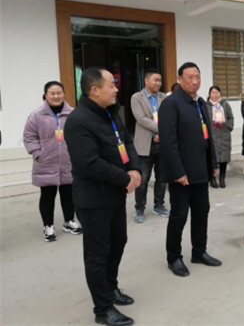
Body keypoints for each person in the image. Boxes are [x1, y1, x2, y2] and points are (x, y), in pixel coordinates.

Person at [65, 67, 141, 326]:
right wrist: (125, 178)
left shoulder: (110, 112)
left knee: (118, 241)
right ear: (95, 90)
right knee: (98, 254)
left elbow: (126, 141)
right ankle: (103, 309)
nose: (116, 89)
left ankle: (110, 287)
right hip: (93, 199)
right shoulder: (78, 121)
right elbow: (89, 163)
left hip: (115, 194)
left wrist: (134, 168)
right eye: (112, 84)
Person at [159, 62, 222, 278]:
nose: (195, 81)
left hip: (201, 169)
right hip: (182, 172)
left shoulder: (200, 102)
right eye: (190, 77)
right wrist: (178, 172)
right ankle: (174, 257)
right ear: (179, 79)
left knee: (202, 211)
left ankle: (199, 251)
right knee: (179, 215)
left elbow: (207, 137)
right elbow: (168, 142)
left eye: (198, 77)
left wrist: (213, 163)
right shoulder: (171, 104)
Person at [23, 81, 82, 242]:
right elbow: (29, 136)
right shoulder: (37, 115)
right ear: (46, 95)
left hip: (68, 161)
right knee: (48, 195)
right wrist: (38, 153)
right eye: (52, 93)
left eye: (59, 93)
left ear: (64, 94)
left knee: (68, 193)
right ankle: (48, 226)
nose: (56, 96)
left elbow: (81, 135)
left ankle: (69, 221)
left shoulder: (73, 113)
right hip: (46, 162)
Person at [130, 69, 169, 223]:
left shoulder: (164, 97)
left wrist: (162, 134)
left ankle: (159, 205)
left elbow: (168, 117)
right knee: (143, 178)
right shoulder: (136, 97)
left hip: (162, 144)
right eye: (155, 80)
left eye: (160, 80)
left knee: (162, 177)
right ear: (146, 80)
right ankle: (139, 207)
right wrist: (162, 130)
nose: (158, 83)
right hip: (144, 144)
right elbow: (141, 119)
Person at [206, 85, 234, 189]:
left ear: (220, 93)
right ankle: (212, 179)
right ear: (209, 94)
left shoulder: (225, 105)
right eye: (213, 93)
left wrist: (228, 126)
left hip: (224, 133)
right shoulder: (206, 106)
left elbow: (230, 117)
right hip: (212, 134)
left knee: (224, 158)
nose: (215, 95)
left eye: (217, 92)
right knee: (212, 157)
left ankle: (222, 178)